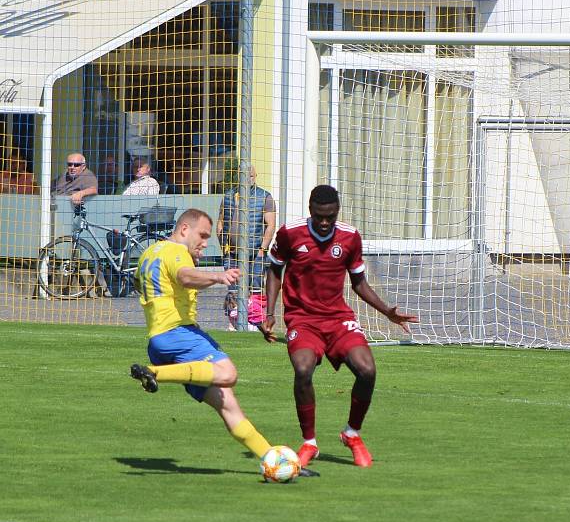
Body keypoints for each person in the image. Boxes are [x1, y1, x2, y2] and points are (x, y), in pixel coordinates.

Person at [264, 184, 418, 467]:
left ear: (338, 212)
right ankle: (309, 442)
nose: (325, 222)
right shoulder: (289, 233)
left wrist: (387, 312)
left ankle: (352, 434)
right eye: (320, 216)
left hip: (338, 318)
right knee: (302, 369)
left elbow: (359, 282)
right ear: (310, 210)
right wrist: (269, 312)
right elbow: (275, 270)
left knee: (367, 370)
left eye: (331, 217)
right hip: (302, 318)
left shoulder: (349, 237)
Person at [128, 208, 275, 464]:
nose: (205, 243)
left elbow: (139, 284)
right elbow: (185, 277)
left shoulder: (148, 253)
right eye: (203, 235)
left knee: (227, 404)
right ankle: (155, 373)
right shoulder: (176, 252)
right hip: (179, 333)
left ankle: (272, 458)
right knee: (228, 373)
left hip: (157, 341)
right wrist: (218, 276)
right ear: (184, 229)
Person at [216, 166, 276, 333]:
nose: (247, 178)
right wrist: (224, 246)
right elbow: (220, 221)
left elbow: (270, 225)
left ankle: (254, 322)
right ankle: (233, 322)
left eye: (250, 175)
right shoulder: (228, 196)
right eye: (243, 175)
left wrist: (263, 249)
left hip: (256, 251)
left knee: (255, 287)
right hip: (232, 252)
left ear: (255, 176)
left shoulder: (265, 196)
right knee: (233, 288)